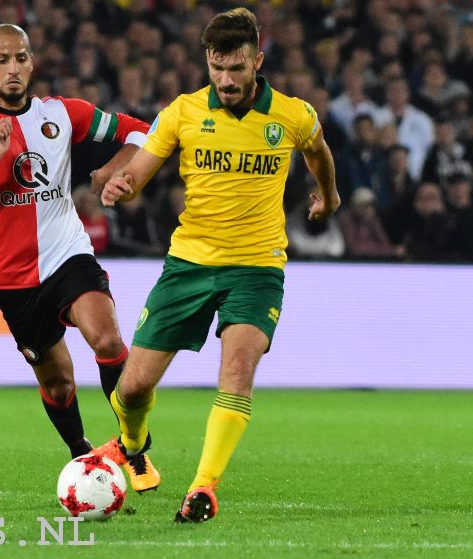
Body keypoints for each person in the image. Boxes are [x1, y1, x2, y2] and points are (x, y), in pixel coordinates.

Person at [95, 8, 339, 522]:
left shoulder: (291, 115)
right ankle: (132, 446)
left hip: (257, 267)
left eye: (237, 69)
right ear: (207, 62)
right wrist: (124, 184)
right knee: (132, 387)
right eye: (217, 68)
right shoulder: (182, 112)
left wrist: (328, 195)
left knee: (237, 372)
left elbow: (319, 150)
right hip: (189, 264)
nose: (226, 80)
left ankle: (203, 488)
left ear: (258, 62)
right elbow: (141, 168)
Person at [0, 24, 159, 491]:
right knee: (58, 384)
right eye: (1, 60)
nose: (12, 69)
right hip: (15, 279)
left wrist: (114, 169)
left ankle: (134, 450)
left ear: (32, 62)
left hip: (68, 255)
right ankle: (84, 459)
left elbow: (145, 131)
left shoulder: (61, 113)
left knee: (108, 339)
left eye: (20, 58)